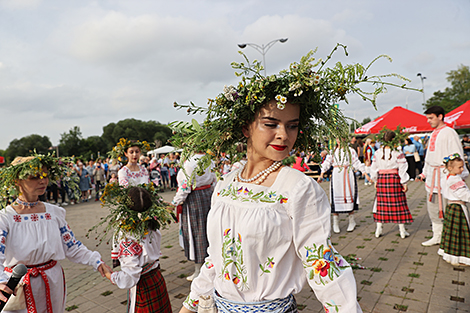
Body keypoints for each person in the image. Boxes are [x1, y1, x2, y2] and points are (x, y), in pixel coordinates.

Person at [171, 46, 392, 312]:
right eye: (271, 123)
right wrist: (191, 305)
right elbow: (214, 258)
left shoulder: (298, 188)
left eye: (292, 125)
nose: (283, 135)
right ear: (246, 127)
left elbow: (323, 266)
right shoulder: (226, 183)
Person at [0, 154, 111, 312]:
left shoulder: (54, 213)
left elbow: (71, 246)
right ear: (16, 180)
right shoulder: (5, 218)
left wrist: (96, 261)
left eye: (45, 175)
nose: (43, 180)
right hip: (19, 285)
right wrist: (1, 281)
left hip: (51, 281)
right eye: (35, 176)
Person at [103, 186, 173, 312]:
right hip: (156, 278)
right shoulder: (151, 224)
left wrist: (110, 275)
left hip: (143, 286)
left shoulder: (128, 237)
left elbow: (129, 277)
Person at [417, 106, 469, 246]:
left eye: (431, 118)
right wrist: (424, 172)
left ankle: (452, 237)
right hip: (433, 175)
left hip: (445, 174)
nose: (428, 121)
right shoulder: (433, 133)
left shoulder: (449, 132)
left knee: (448, 206)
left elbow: (457, 154)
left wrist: (457, 174)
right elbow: (428, 157)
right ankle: (437, 235)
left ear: (440, 117)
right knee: (433, 205)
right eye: (427, 118)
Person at [171, 152, 216, 282]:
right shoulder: (208, 159)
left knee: (196, 232)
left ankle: (199, 270)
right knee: (206, 231)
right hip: (207, 195)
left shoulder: (190, 163)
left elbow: (185, 187)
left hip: (194, 199)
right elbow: (214, 179)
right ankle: (208, 265)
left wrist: (175, 202)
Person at [369, 131, 413, 239]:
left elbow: (373, 168)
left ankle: (378, 230)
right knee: (398, 204)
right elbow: (402, 168)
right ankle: (402, 231)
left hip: (382, 180)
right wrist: (404, 182)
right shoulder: (398, 152)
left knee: (381, 204)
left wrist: (375, 180)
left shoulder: (378, 152)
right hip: (394, 179)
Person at [318, 139, 366, 233]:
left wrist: (364, 171)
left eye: (341, 138)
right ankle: (335, 222)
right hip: (337, 176)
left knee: (349, 196)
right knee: (335, 197)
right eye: (337, 138)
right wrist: (322, 173)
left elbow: (356, 162)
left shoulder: (350, 150)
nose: (339, 140)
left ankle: (352, 221)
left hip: (347, 174)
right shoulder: (333, 152)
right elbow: (327, 163)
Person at [439, 153, 470, 266]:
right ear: (450, 168)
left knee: (451, 232)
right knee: (459, 232)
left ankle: (450, 255)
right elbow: (463, 194)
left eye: (462, 166)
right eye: (460, 167)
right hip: (458, 208)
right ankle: (460, 257)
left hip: (451, 207)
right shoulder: (455, 180)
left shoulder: (446, 178)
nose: (462, 169)